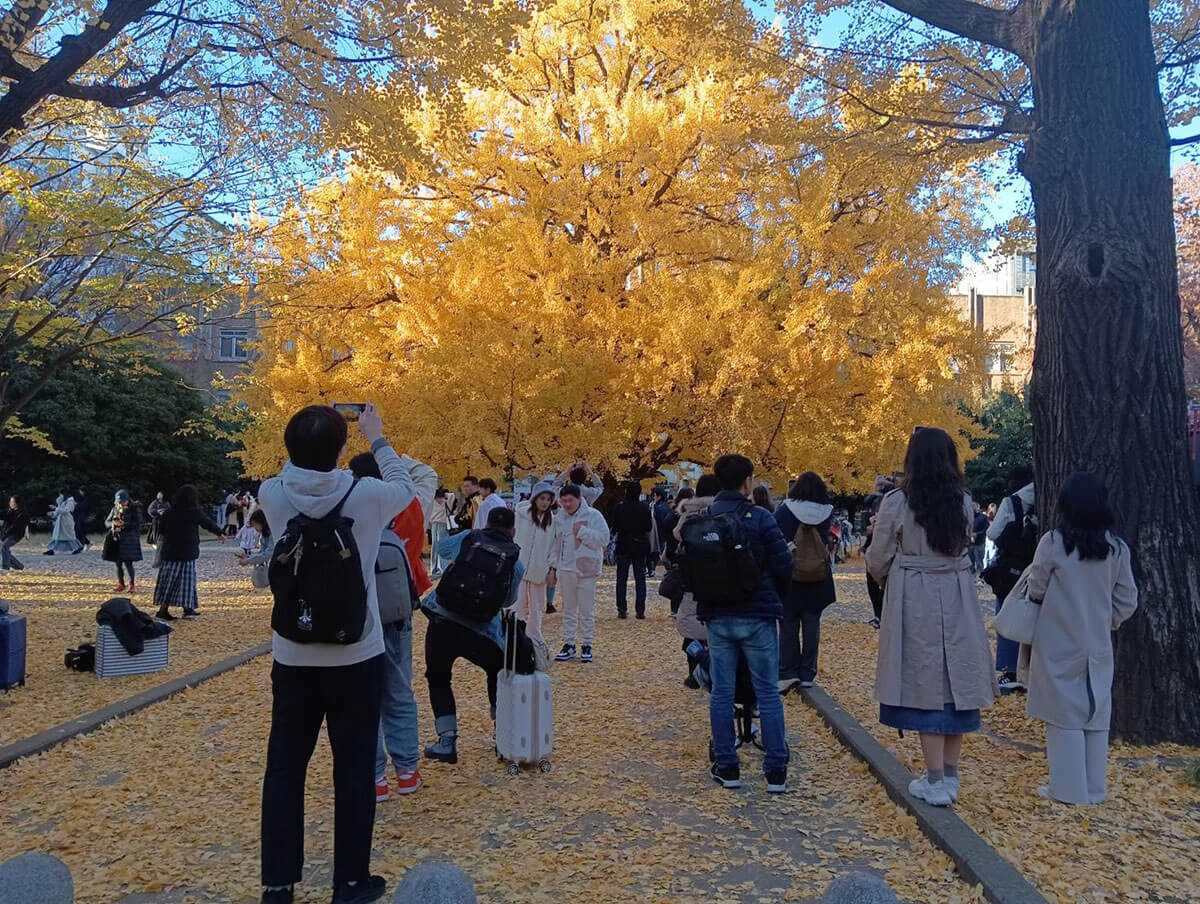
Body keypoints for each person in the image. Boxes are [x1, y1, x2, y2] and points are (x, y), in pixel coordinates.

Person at [257, 402, 415, 904]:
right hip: (356, 654)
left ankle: (279, 884)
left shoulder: (273, 493)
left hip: (293, 654)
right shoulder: (367, 495)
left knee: (284, 766)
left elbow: (291, 471)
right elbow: (408, 487)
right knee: (352, 770)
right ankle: (350, 881)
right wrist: (378, 437)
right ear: (343, 449)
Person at [866, 427, 995, 807]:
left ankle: (936, 777)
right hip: (956, 592)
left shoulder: (896, 502)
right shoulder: (962, 501)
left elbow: (877, 558)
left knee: (924, 679)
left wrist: (895, 575)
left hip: (914, 592)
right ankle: (948, 775)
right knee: (957, 680)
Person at [1023, 473, 1138, 805]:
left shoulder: (1054, 543)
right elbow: (1128, 599)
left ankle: (1068, 788)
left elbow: (1038, 587)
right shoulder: (1116, 548)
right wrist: (1108, 621)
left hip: (1057, 638)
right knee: (1096, 711)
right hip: (1098, 640)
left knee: (1062, 714)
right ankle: (1094, 788)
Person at [693, 455, 791, 793]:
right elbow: (783, 565)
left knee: (722, 692)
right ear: (747, 481)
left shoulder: (705, 518)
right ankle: (776, 771)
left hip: (718, 615)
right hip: (758, 614)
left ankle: (727, 765)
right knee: (767, 692)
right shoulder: (762, 518)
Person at [348, 450, 438, 801]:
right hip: (399, 606)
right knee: (399, 690)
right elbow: (427, 472)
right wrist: (393, 454)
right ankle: (407, 771)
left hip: (359, 613)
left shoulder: (351, 510)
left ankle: (374, 778)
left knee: (361, 696)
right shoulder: (412, 506)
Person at [421, 506, 523, 764]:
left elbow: (442, 547)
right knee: (497, 672)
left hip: (443, 618)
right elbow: (508, 600)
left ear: (487, 524)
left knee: (439, 677)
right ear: (513, 531)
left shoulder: (469, 537)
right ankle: (502, 738)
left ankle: (447, 741)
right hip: (482, 631)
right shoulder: (515, 561)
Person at [775, 472, 837, 694]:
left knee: (788, 623)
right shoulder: (827, 512)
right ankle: (807, 672)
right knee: (812, 623)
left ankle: (787, 670)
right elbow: (832, 540)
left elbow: (776, 538)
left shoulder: (786, 510)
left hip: (791, 574)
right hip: (818, 576)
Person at [985, 464, 1036, 693]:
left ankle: (1009, 670)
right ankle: (1032, 669)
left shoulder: (1012, 502)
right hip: (1038, 564)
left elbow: (993, 533)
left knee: (1006, 614)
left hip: (1012, 569)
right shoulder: (1048, 497)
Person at [552, 484, 609, 663]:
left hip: (587, 569)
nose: (567, 504)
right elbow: (554, 545)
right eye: (564, 501)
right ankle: (569, 643)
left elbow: (603, 538)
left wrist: (583, 532)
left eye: (571, 500)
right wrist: (553, 567)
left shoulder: (593, 515)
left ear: (579, 499)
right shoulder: (558, 518)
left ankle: (587, 644)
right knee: (568, 609)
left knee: (586, 609)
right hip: (565, 568)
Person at [671, 475, 718, 685]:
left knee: (692, 622)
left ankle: (694, 672)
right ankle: (715, 670)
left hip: (693, 575)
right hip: (718, 574)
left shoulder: (689, 512)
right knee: (716, 625)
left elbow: (677, 533)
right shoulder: (722, 510)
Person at [153, 485, 226, 620]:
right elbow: (207, 523)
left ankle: (165, 609)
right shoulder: (194, 512)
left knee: (168, 581)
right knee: (187, 581)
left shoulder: (169, 512)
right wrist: (219, 533)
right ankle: (187, 609)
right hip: (187, 552)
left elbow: (161, 530)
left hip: (170, 552)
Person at [513, 481, 561, 647]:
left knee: (537, 607)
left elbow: (554, 547)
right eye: (542, 498)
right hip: (518, 565)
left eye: (548, 499)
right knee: (517, 604)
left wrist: (552, 567)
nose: (545, 502)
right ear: (535, 498)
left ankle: (534, 638)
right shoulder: (520, 514)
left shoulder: (552, 521)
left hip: (540, 567)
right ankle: (515, 635)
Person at [609, 482, 653, 619]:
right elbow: (648, 527)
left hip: (623, 544)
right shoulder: (644, 508)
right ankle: (640, 610)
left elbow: (614, 526)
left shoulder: (619, 507)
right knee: (640, 578)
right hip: (639, 545)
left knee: (621, 578)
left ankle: (621, 608)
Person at [861, 476, 895, 629]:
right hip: (874, 543)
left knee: (878, 582)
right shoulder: (877, 501)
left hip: (880, 546)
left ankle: (881, 615)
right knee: (874, 583)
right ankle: (879, 615)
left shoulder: (890, 503)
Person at [103, 490, 142, 590]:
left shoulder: (134, 509)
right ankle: (121, 583)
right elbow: (107, 521)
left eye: (122, 501)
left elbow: (137, 524)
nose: (121, 504)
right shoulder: (115, 509)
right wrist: (113, 524)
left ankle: (132, 584)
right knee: (118, 563)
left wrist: (124, 524)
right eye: (119, 502)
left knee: (128, 563)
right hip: (116, 539)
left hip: (129, 539)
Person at [236, 510, 274, 587]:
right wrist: (248, 557)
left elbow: (268, 554)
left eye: (255, 525)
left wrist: (249, 560)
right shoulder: (264, 536)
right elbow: (262, 552)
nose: (255, 528)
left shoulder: (271, 535)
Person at [45, 490, 84, 555]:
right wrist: (53, 514)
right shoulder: (62, 501)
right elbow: (59, 511)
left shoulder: (70, 501)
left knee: (70, 537)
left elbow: (66, 511)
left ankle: (78, 548)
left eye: (61, 494)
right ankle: (51, 550)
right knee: (56, 537)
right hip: (60, 522)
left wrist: (55, 508)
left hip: (67, 522)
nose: (60, 496)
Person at [428, 488, 455, 577]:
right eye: (437, 497)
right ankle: (435, 569)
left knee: (442, 546)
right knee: (435, 547)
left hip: (444, 525)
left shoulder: (447, 502)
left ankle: (443, 568)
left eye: (439, 497)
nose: (438, 499)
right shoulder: (433, 502)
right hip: (435, 525)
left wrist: (445, 495)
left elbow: (452, 495)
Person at [648, 488, 672, 578]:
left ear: (659, 496)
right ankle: (668, 570)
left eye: (654, 495)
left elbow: (660, 521)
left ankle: (668, 570)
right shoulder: (666, 506)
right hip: (666, 533)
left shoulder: (658, 508)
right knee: (662, 552)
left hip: (659, 532)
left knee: (661, 553)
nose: (653, 497)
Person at [1, 496, 28, 572]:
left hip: (16, 535)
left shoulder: (22, 514)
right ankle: (19, 566)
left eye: (12, 502)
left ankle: (5, 567)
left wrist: (3, 536)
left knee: (4, 547)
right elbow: (2, 514)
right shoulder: (10, 511)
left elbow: (14, 527)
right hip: (7, 534)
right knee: (4, 550)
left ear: (16, 503)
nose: (10, 503)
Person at [970, 502, 989, 575]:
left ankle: (980, 578)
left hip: (979, 543)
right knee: (970, 564)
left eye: (973, 507)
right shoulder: (967, 517)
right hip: (969, 544)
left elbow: (986, 529)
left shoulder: (983, 517)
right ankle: (971, 579)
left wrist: (976, 534)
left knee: (979, 563)